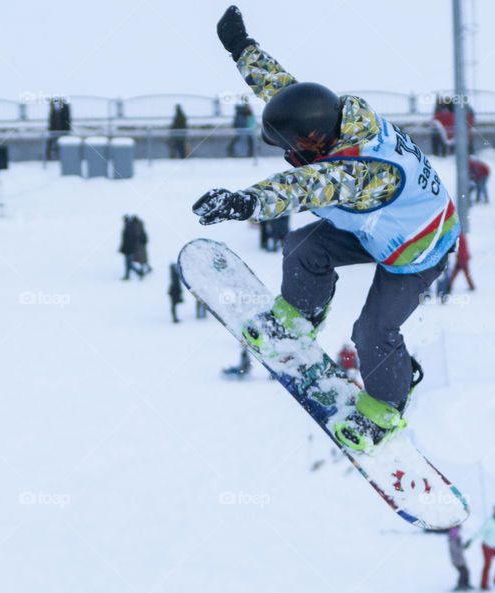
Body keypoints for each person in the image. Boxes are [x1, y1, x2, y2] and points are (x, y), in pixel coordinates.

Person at [192, 6, 460, 451]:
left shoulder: (358, 171)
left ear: (310, 141)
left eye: (289, 146)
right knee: (302, 247)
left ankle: (387, 408)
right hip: (381, 227)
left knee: (373, 331)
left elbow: (306, 185)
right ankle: (302, 315)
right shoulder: (334, 118)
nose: (288, 152)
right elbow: (286, 91)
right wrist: (241, 49)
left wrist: (247, 201)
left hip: (419, 248)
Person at [466, 504, 495, 590]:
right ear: (494, 511)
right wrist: (471, 540)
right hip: (488, 546)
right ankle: (484, 585)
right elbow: (480, 531)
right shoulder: (489, 521)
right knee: (488, 565)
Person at [119, 215, 144, 280]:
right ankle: (128, 276)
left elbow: (128, 240)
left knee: (129, 264)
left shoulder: (129, 227)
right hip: (129, 249)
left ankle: (139, 273)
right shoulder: (129, 226)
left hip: (129, 249)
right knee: (128, 264)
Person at [447, 526, 472, 591]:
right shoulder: (452, 540)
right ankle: (460, 585)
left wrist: (466, 545)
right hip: (456, 560)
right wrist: (462, 547)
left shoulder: (457, 539)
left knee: (466, 572)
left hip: (460, 560)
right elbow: (456, 550)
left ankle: (466, 584)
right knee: (463, 572)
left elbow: (460, 548)